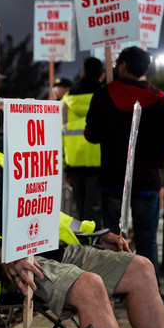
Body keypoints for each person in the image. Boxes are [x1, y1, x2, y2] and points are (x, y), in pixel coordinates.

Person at [0, 98, 164, 328]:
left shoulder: (1, 161)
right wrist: (0, 249)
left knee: (141, 268)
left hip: (48, 249)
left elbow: (43, 211)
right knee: (90, 286)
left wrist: (93, 234)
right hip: (7, 267)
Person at [85, 46, 164, 293]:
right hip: (146, 181)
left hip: (112, 179)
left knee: (113, 239)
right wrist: (154, 164)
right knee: (147, 239)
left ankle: (116, 289)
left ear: (123, 66)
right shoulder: (159, 98)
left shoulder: (104, 95)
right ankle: (150, 290)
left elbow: (90, 135)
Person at [61, 57, 104, 225]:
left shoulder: (66, 100)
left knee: (78, 208)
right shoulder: (104, 96)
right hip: (99, 162)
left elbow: (61, 135)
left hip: (74, 163)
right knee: (94, 209)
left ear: (82, 73)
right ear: (101, 75)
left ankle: (81, 247)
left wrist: (65, 166)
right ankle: (94, 247)